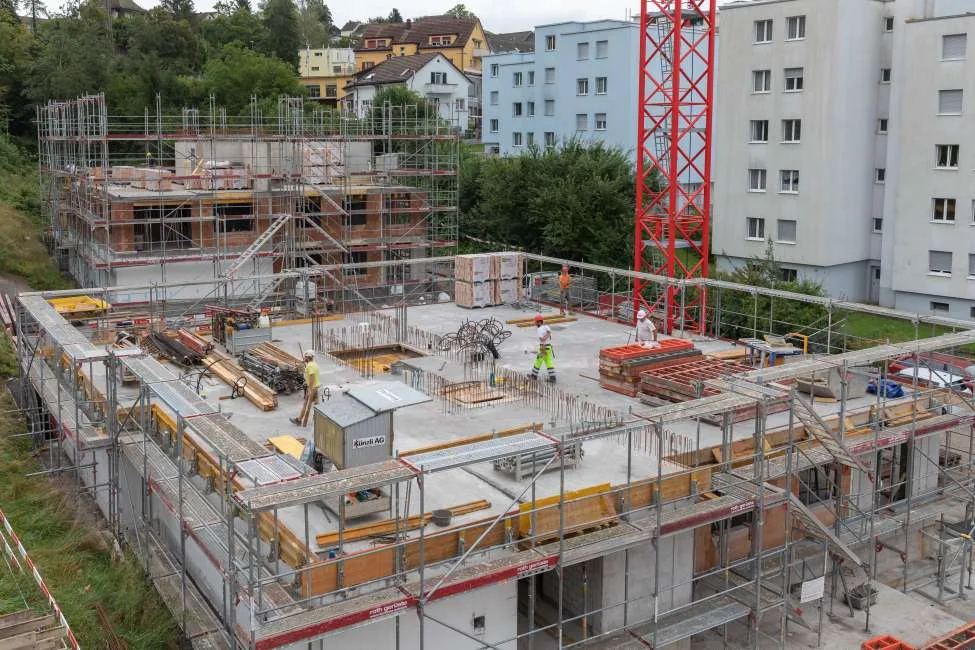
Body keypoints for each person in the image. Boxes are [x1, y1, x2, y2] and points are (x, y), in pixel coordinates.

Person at [291, 350, 320, 427]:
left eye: (305, 357)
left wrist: (309, 389)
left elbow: (312, 378)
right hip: (315, 387)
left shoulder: (310, 366)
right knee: (316, 405)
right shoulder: (314, 364)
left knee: (306, 405)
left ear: (308, 357)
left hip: (312, 388)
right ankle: (315, 419)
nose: (304, 358)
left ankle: (300, 421)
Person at [529, 314, 556, 382]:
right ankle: (553, 377)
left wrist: (543, 350)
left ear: (539, 322)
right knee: (548, 362)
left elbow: (542, 340)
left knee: (538, 361)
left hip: (544, 347)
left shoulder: (539, 329)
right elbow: (549, 332)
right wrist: (546, 337)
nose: (535, 323)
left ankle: (533, 376)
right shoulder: (546, 327)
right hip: (549, 347)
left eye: (535, 322)